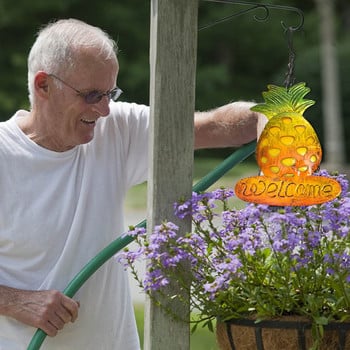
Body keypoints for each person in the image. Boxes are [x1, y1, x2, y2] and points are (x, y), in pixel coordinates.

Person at [0, 18, 261, 349]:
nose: (105, 109)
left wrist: (267, 117)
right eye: (92, 94)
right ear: (43, 86)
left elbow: (213, 126)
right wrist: (16, 301)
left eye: (110, 93)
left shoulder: (117, 129)